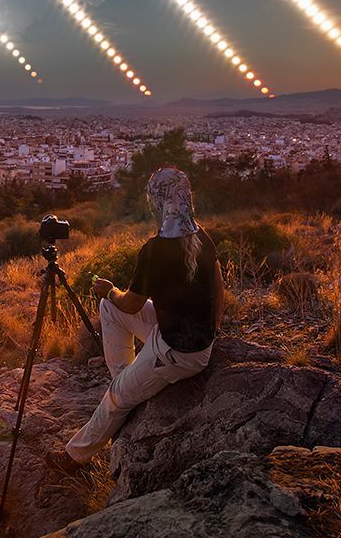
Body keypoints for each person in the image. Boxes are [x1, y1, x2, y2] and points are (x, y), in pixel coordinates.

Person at [46, 165, 225, 473]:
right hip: (179, 331)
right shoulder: (201, 236)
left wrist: (110, 289)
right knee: (108, 309)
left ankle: (75, 457)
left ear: (158, 200)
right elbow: (219, 285)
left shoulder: (156, 250)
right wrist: (212, 326)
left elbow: (130, 304)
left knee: (115, 396)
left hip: (178, 352)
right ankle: (129, 379)